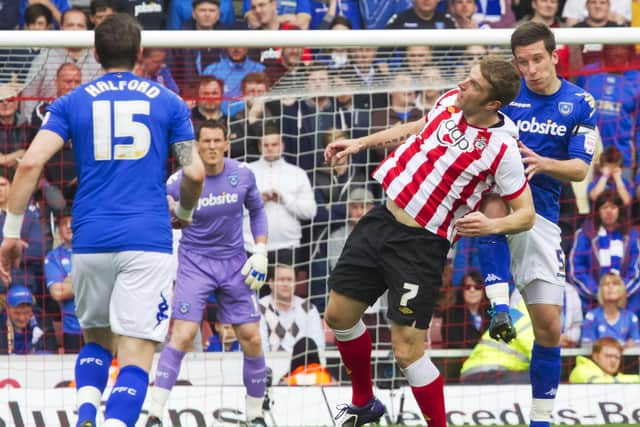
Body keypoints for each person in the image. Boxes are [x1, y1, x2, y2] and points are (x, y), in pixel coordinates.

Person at [0, 13, 205, 427]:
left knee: (95, 338)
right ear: (140, 53)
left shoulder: (71, 101)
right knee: (138, 348)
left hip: (91, 238)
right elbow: (195, 172)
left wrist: (10, 232)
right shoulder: (168, 101)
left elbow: (30, 164)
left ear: (95, 54)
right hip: (148, 238)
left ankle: (87, 414)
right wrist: (183, 213)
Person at [322, 57, 534, 427]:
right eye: (467, 78)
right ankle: (364, 401)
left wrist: (490, 224)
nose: (464, 85)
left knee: (407, 351)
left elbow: (525, 214)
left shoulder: (502, 149)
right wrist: (360, 142)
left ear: (492, 105)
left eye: (474, 85)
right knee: (339, 316)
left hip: (420, 246)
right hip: (381, 219)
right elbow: (420, 125)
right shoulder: (452, 99)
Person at [477, 22, 598, 427]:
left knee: (549, 330)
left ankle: (541, 420)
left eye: (537, 60)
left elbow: (580, 170)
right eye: (522, 62)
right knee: (493, 205)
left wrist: (543, 163)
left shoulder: (581, 102)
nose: (530, 69)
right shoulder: (508, 95)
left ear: (554, 56)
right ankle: (499, 309)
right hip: (496, 203)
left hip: (543, 217)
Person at [146, 120, 269, 427]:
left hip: (234, 263)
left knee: (251, 338)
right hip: (195, 264)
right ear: (197, 146)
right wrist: (168, 209)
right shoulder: (179, 181)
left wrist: (262, 251)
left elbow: (257, 211)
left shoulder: (242, 175)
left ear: (226, 144)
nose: (212, 146)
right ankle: (155, 414)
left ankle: (255, 415)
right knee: (183, 335)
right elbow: (161, 210)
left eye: (218, 141)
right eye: (206, 141)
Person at [570, 191, 640, 313]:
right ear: (598, 211)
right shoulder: (584, 235)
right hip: (590, 304)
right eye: (604, 207)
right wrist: (599, 293)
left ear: (619, 210)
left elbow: (636, 271)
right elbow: (576, 270)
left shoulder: (633, 236)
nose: (609, 211)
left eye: (613, 207)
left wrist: (619, 292)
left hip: (628, 304)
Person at [460, 298, 534, 384]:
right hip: (490, 374)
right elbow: (539, 354)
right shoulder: (530, 319)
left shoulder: (515, 313)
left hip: (475, 374)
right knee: (544, 378)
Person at [259, 261, 325, 354]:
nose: (286, 284)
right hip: (269, 365)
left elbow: (318, 347)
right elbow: (260, 349)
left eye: (290, 280)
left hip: (301, 366)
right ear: (270, 283)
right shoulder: (259, 308)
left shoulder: (309, 309)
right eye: (281, 279)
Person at [45, 208, 83, 353]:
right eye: (63, 223)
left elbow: (105, 286)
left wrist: (69, 280)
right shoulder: (53, 257)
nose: (68, 226)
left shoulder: (95, 251)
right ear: (58, 230)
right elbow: (58, 292)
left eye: (72, 222)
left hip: (100, 325)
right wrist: (87, 279)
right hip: (72, 329)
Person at [581, 272, 640, 348]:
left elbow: (637, 345)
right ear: (600, 290)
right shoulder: (592, 317)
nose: (610, 287)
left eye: (615, 284)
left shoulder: (631, 317)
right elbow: (586, 346)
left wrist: (632, 345)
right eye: (606, 284)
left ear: (622, 290)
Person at [0, 285, 58, 354]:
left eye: (27, 312)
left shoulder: (43, 323)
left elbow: (51, 352)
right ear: (7, 309)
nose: (22, 318)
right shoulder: (1, 323)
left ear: (32, 309)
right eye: (17, 313)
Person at [442, 272, 489, 349]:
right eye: (467, 287)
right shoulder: (450, 314)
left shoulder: (492, 313)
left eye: (477, 287)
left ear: (483, 291)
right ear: (462, 291)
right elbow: (452, 343)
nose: (472, 290)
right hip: (461, 359)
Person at [569, 336, 640, 383]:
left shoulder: (618, 377)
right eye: (608, 356)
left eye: (617, 357)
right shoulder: (581, 370)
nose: (613, 360)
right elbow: (599, 382)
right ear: (596, 357)